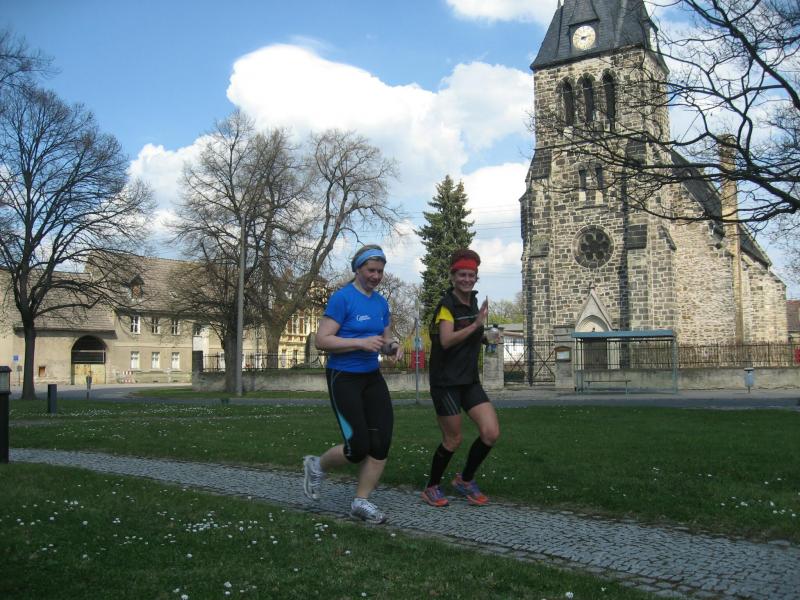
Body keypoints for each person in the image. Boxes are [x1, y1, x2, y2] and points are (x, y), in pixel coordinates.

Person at [302, 244, 403, 524]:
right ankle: (316, 465)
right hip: (343, 377)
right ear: (358, 269)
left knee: (380, 442)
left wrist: (393, 346)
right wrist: (360, 342)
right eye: (371, 270)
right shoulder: (342, 298)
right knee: (357, 447)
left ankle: (361, 502)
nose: (376, 276)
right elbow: (322, 340)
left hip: (371, 377)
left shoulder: (381, 303)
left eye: (380, 271)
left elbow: (384, 339)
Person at [420, 249, 500, 507]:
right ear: (453, 277)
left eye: (471, 275)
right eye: (462, 275)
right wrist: (476, 325)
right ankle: (431, 487)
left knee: (490, 432)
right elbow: (446, 340)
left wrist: (485, 337)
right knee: (453, 439)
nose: (467, 279)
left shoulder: (473, 303)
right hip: (446, 382)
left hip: (469, 380)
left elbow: (467, 334)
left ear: (476, 277)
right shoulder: (447, 306)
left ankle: (465, 480)